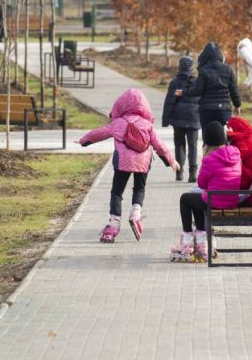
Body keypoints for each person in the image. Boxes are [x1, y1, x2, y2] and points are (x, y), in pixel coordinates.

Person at [79, 88, 178, 243]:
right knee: (139, 188)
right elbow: (159, 145)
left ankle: (113, 225)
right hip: (143, 162)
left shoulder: (118, 123)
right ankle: (136, 214)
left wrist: (83, 141)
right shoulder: (147, 125)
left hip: (122, 162)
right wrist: (171, 161)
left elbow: (99, 133)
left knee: (117, 192)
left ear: (121, 105)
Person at [171, 121, 243, 262]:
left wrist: (205, 159)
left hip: (215, 201)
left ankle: (186, 240)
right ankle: (202, 243)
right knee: (197, 200)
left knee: (185, 199)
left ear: (207, 143)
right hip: (232, 200)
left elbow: (201, 183)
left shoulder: (210, 160)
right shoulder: (236, 155)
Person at [182, 42, 241, 127]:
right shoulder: (228, 70)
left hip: (207, 110)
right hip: (224, 109)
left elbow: (197, 91)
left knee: (208, 137)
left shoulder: (203, 71)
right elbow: (234, 90)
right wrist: (237, 105)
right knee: (223, 136)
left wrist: (184, 92)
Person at [162, 56, 202, 183]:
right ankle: (193, 173)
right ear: (192, 67)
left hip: (178, 118)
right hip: (193, 118)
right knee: (193, 145)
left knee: (179, 144)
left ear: (180, 66)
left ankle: (179, 173)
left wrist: (165, 120)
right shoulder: (197, 82)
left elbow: (169, 102)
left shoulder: (175, 82)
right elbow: (201, 100)